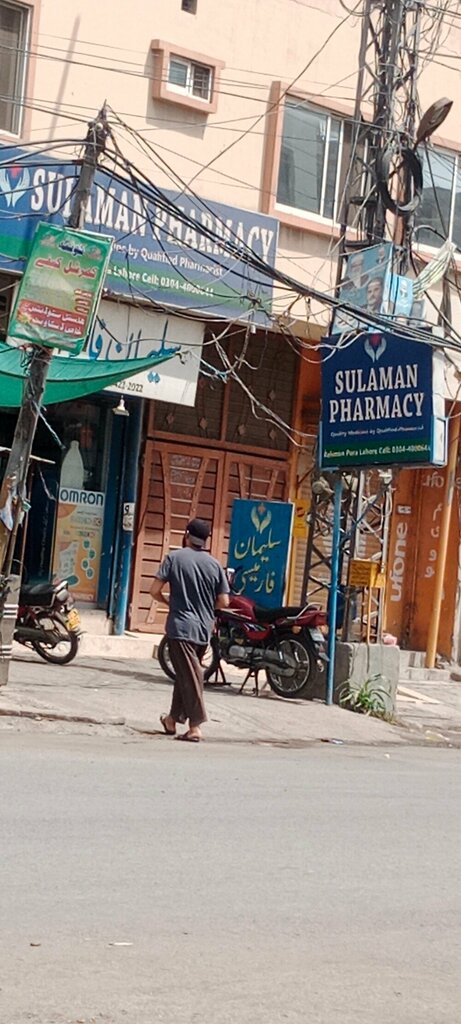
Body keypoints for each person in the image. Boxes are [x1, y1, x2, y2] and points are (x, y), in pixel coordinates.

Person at [148, 518, 230, 743]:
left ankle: (195, 726)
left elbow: (154, 590)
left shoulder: (174, 558)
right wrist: (206, 608)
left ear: (186, 534)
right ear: (206, 540)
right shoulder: (214, 565)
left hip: (180, 627)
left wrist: (169, 603)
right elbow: (224, 601)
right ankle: (172, 719)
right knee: (186, 675)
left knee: (191, 676)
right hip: (204, 630)